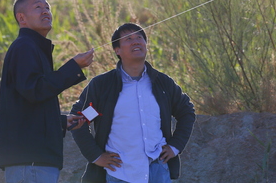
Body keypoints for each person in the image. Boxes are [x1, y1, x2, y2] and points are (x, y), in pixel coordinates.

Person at [70, 23, 196, 183]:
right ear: (117, 50)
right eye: (128, 39)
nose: (136, 41)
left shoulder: (162, 83)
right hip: (119, 172)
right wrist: (96, 156)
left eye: (139, 37)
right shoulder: (103, 86)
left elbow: (186, 112)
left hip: (158, 171)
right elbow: (79, 119)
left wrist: (175, 146)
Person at [0, 0, 95, 183]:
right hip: (31, 162)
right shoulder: (25, 46)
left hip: (33, 161)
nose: (45, 11)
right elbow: (35, 90)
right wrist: (73, 67)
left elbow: (27, 105)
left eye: (47, 7)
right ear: (21, 18)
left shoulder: (32, 47)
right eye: (37, 7)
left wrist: (60, 122)